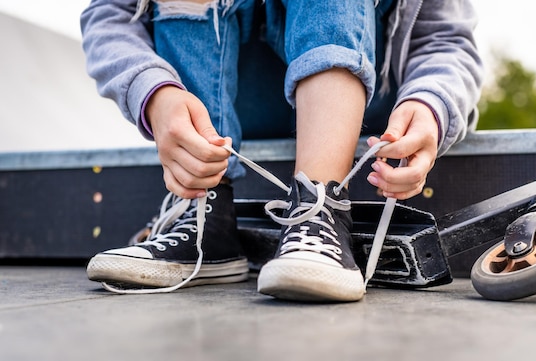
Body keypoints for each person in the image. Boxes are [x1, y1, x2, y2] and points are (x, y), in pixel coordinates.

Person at [80, 0, 483, 302]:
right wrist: (154, 93)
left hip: (358, 89)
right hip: (230, 100)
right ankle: (207, 218)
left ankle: (320, 206)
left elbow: (445, 40)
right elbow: (110, 15)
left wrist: (432, 104)